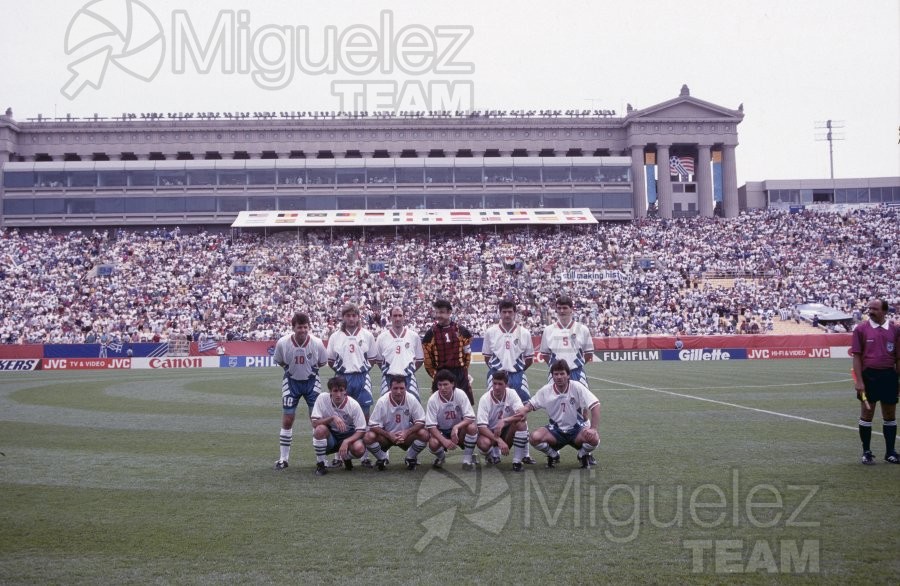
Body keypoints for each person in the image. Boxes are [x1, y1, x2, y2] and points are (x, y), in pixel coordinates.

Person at [517, 359, 601, 469]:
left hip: (576, 430)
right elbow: (531, 405)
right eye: (556, 374)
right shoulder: (546, 390)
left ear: (568, 375)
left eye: (562, 373)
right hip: (555, 431)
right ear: (552, 376)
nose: (559, 377)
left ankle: (582, 455)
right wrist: (524, 409)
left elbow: (595, 405)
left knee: (594, 439)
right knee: (534, 437)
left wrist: (593, 428)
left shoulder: (577, 387)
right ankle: (553, 455)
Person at [481, 299, 537, 463]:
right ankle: (495, 451)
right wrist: (497, 373)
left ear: (514, 313)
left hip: (517, 376)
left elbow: (529, 358)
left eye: (510, 312)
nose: (507, 315)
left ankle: (525, 454)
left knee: (522, 414)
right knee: (493, 413)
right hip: (496, 376)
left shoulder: (524, 333)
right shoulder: (491, 332)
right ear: (500, 313)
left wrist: (517, 371)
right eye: (504, 312)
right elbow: (486, 356)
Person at [272, 312, 328, 470]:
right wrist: (290, 370)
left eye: (305, 327)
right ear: (293, 328)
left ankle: (321, 460)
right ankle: (283, 459)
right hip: (291, 382)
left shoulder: (316, 343)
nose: (302, 330)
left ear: (309, 327)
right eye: (299, 327)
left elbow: (323, 362)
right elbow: (280, 361)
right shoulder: (283, 343)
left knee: (316, 421)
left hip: (312, 383)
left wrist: (311, 371)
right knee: (288, 419)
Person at [851, 299, 899, 465]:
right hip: (868, 376)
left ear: (885, 311)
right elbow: (856, 356)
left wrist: (898, 379)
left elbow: (898, 358)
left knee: (890, 415)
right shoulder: (861, 329)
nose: (870, 311)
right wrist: (859, 381)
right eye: (869, 308)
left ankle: (890, 452)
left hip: (889, 376)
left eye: (875, 308)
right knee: (866, 414)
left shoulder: (895, 330)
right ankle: (866, 452)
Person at [364, 375, 429, 470]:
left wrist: (407, 432)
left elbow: (421, 421)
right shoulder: (382, 401)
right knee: (368, 437)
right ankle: (382, 458)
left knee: (424, 434)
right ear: (390, 388)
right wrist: (388, 434)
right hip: (386, 437)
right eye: (395, 388)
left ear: (406, 388)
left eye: (401, 388)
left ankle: (410, 457)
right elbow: (373, 425)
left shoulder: (411, 399)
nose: (399, 391)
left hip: (405, 436)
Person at [310, 376, 367, 476]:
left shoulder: (353, 405)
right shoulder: (322, 398)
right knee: (319, 430)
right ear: (330, 391)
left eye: (341, 390)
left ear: (345, 391)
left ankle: (346, 457)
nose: (338, 394)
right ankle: (321, 464)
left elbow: (361, 430)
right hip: (331, 437)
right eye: (335, 391)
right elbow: (314, 423)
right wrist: (332, 418)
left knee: (359, 449)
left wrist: (346, 441)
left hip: (348, 435)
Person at [422, 299, 474, 404]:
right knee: (440, 407)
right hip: (441, 374)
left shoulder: (462, 331)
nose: (438, 315)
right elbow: (427, 360)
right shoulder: (430, 334)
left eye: (441, 312)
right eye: (436, 312)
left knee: (464, 407)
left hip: (459, 374)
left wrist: (463, 370)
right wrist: (435, 374)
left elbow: (467, 354)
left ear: (449, 312)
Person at [425, 369, 479, 470]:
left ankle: (467, 460)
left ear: (453, 384)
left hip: (459, 431)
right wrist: (444, 441)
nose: (442, 388)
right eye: (440, 385)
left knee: (472, 427)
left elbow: (470, 417)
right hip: (442, 431)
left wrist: (456, 427)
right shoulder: (433, 399)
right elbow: (431, 426)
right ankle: (441, 458)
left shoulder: (460, 394)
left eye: (445, 384)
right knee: (433, 443)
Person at [476, 371, 529, 472]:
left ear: (506, 385)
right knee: (483, 443)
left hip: (507, 432)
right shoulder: (485, 399)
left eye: (500, 384)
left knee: (521, 424)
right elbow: (481, 427)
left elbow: (523, 415)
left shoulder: (512, 393)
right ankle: (491, 455)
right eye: (494, 383)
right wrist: (498, 440)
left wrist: (504, 421)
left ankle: (517, 462)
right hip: (491, 433)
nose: (496, 387)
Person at [539, 295, 594, 387]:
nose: (561, 311)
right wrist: (556, 367)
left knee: (581, 400)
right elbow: (545, 354)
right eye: (559, 308)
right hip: (556, 375)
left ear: (571, 309)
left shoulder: (582, 329)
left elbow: (588, 353)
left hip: (577, 373)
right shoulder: (548, 330)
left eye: (565, 308)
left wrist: (576, 364)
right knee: (554, 400)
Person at [374, 306, 425, 400]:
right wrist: (390, 369)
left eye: (400, 315)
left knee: (413, 408)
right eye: (395, 316)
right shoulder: (382, 337)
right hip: (388, 378)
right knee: (386, 409)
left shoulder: (414, 336)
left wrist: (409, 370)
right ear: (390, 318)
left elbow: (420, 359)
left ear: (404, 317)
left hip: (408, 378)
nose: (397, 318)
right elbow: (379, 360)